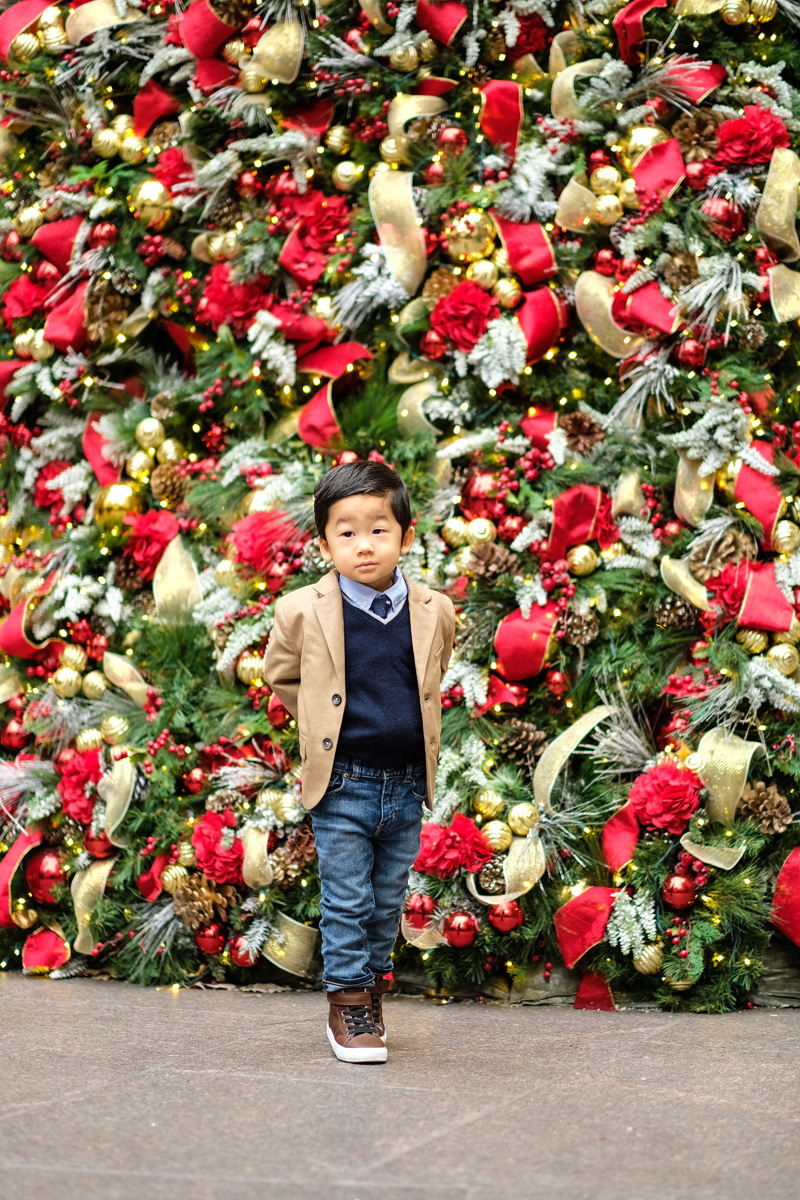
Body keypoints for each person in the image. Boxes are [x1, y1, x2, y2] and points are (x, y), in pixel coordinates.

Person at [264, 460, 456, 1063]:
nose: (364, 544)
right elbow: (281, 675)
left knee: (386, 897)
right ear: (324, 543)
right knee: (346, 897)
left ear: (405, 533)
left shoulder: (434, 609)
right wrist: (324, 718)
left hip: (405, 784)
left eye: (379, 529)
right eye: (346, 532)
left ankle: (370, 988)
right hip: (342, 779)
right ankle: (346, 1002)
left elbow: (432, 676)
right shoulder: (302, 610)